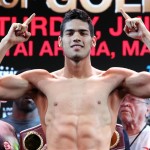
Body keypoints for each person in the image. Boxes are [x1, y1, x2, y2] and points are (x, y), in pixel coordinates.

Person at [0, 8, 150, 150]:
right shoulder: (40, 82)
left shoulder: (114, 81)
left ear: (93, 41)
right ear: (60, 41)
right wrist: (7, 42)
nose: (76, 38)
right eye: (70, 33)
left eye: (83, 33)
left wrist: (145, 36)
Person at [1, 69, 41, 139]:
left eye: (33, 89)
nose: (29, 93)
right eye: (24, 88)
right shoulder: (1, 127)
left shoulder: (48, 126)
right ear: (12, 90)